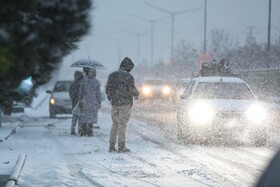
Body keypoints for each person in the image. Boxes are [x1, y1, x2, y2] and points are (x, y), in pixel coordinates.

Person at [106, 57, 139, 153]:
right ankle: (121, 146)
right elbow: (132, 89)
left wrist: (111, 97)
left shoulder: (112, 75)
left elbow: (108, 89)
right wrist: (136, 93)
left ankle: (111, 145)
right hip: (125, 103)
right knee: (122, 124)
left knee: (115, 124)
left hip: (115, 103)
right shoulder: (128, 77)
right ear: (128, 67)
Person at [78, 67, 102, 136]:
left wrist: (80, 99)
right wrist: (99, 102)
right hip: (93, 102)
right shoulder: (96, 82)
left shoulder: (84, 80)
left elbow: (80, 91)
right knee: (91, 118)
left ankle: (83, 131)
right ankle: (89, 131)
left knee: (84, 117)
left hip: (85, 101)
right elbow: (98, 93)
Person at [69, 70, 84, 135]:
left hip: (75, 102)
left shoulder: (73, 84)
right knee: (80, 117)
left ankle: (73, 129)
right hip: (80, 102)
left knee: (75, 117)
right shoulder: (82, 83)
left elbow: (70, 93)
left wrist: (73, 98)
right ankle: (80, 130)